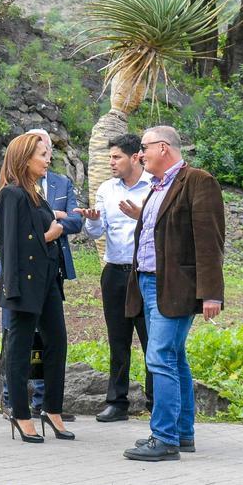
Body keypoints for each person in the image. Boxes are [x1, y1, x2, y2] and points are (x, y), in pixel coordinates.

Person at [122, 126, 224, 462]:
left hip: (175, 286)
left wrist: (211, 294)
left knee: (159, 356)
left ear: (163, 148)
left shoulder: (198, 181)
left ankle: (164, 438)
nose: (140, 154)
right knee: (174, 358)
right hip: (149, 284)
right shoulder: (157, 186)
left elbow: (209, 241)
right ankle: (181, 433)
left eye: (144, 147)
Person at [0, 128, 83, 419]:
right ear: (25, 158)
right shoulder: (12, 194)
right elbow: (12, 245)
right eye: (43, 154)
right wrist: (51, 234)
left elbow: (69, 221)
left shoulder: (37, 194)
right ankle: (21, 415)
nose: (48, 159)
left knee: (57, 342)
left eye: (49, 154)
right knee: (20, 347)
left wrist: (55, 229)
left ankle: (52, 410)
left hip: (49, 279)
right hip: (25, 282)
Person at [73, 133, 153, 422]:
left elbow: (164, 228)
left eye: (117, 157)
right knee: (118, 340)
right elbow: (96, 232)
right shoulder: (107, 189)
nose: (111, 162)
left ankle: (156, 402)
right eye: (110, 157)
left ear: (135, 157)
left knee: (151, 340)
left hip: (144, 274)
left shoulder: (154, 186)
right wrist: (93, 220)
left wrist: (141, 216)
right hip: (114, 272)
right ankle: (117, 402)